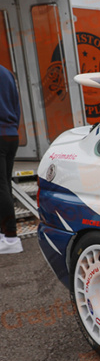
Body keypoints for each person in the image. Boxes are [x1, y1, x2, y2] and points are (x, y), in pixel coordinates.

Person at [0, 63, 22, 255]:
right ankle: (4, 234)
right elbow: (16, 105)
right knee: (4, 186)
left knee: (1, 188)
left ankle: (10, 237)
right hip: (10, 134)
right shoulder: (6, 73)